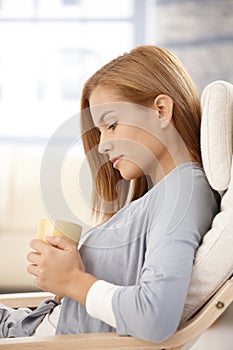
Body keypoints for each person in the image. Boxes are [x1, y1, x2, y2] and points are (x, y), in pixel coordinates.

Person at [0, 45, 219, 342]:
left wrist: (73, 280)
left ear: (161, 110)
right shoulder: (164, 193)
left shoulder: (183, 192)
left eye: (112, 124)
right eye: (100, 131)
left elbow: (155, 317)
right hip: (23, 324)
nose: (102, 145)